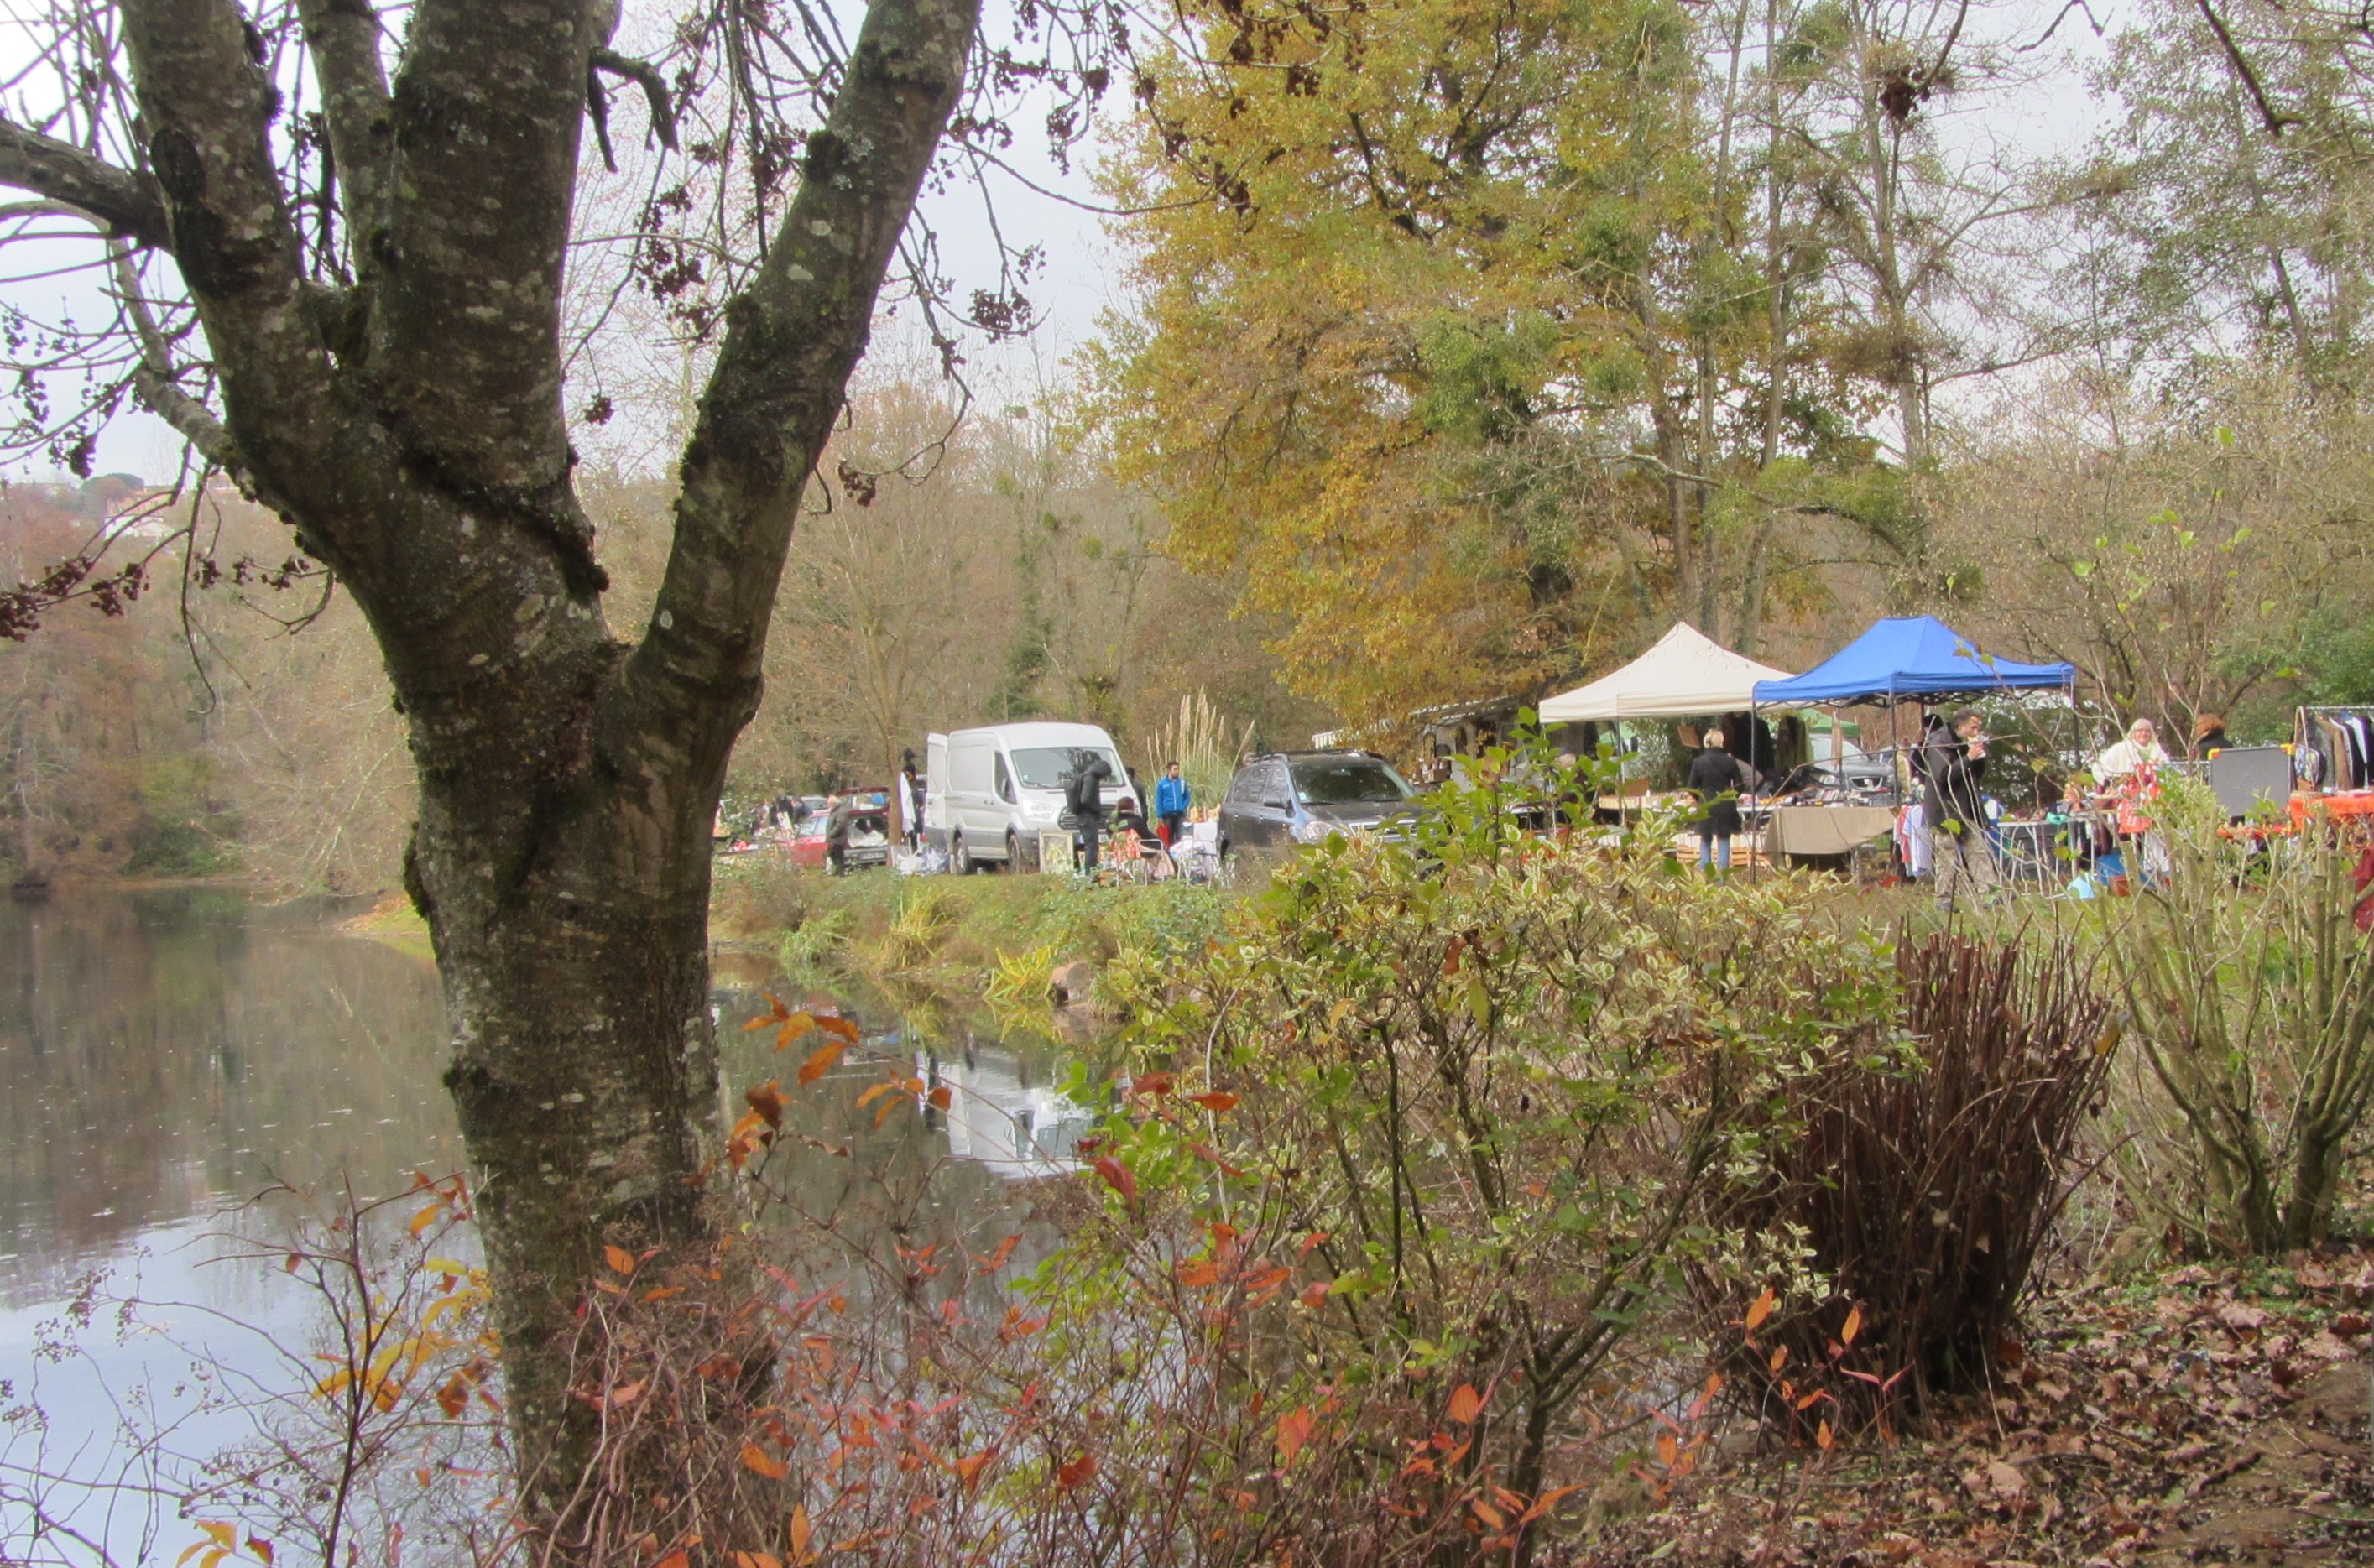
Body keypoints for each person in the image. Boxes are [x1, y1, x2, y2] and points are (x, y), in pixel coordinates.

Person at [1922, 710, 1996, 911]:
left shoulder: (1964, 743)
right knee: (1947, 855)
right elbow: (1943, 775)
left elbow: (1975, 775)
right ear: (1960, 725)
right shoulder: (1938, 743)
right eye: (1973, 727)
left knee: (1978, 850)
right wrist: (1968, 758)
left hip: (1967, 807)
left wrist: (1979, 757)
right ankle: (1943, 899)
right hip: (1945, 810)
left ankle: (1988, 893)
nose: (1976, 731)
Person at [1688, 728, 1750, 872]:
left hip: (1706, 805)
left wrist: (1700, 798)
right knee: (1723, 839)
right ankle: (1723, 876)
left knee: (1705, 839)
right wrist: (1732, 796)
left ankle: (1705, 874)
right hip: (1725, 805)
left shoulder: (1698, 762)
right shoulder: (1730, 761)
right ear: (1721, 742)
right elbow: (1740, 784)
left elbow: (1691, 786)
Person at [1068, 754, 1113, 874]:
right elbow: (1085, 799)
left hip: (1083, 817)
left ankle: (1090, 872)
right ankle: (1090, 874)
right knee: (1091, 847)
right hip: (1087, 817)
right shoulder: (1090, 778)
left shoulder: (1085, 776)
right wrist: (1096, 809)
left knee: (1091, 846)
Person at [2094, 718, 2170, 783]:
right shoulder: (2120, 748)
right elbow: (2098, 767)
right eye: (2139, 730)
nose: (2143, 733)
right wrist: (2116, 779)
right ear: (2133, 733)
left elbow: (2168, 772)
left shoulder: (2158, 752)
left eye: (2147, 731)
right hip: (2125, 793)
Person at [1155, 760, 1191, 847]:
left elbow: (1187, 796)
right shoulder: (1162, 784)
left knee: (1180, 836)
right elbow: (1158, 800)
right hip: (1167, 815)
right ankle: (1169, 855)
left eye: (1178, 769)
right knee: (1168, 838)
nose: (1177, 771)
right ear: (1169, 770)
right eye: (1175, 769)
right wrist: (1160, 816)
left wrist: (1183, 805)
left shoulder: (1182, 783)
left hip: (1179, 814)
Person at [824, 791, 854, 876]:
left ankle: (841, 872)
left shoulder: (841, 812)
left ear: (834, 803)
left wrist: (831, 834)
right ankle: (838, 871)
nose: (828, 805)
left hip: (838, 839)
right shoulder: (834, 811)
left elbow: (840, 825)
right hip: (833, 839)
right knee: (832, 855)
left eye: (829, 803)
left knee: (838, 856)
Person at [900, 756, 925, 852]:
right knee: (915, 829)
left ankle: (914, 847)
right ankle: (915, 848)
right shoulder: (911, 790)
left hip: (911, 815)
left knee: (913, 831)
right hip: (912, 814)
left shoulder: (904, 772)